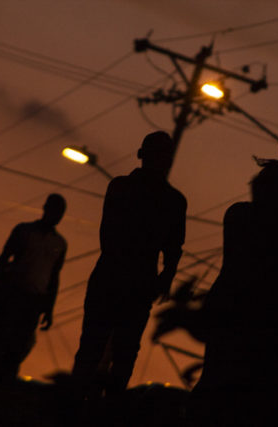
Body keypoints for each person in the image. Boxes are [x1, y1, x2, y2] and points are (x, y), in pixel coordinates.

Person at [72, 131, 187, 398]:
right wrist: (164, 277)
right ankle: (101, 405)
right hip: (135, 281)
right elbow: (173, 248)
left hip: (115, 276)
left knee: (97, 346)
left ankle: (77, 402)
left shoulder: (122, 187)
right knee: (121, 351)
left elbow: (109, 236)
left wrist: (164, 276)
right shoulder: (171, 200)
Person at [0, 193, 67, 380]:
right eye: (55, 210)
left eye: (60, 212)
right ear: (46, 208)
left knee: (19, 342)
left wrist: (49, 308)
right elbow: (3, 259)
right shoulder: (24, 231)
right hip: (13, 292)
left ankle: (5, 377)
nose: (57, 216)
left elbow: (54, 277)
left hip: (34, 300)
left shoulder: (59, 244)